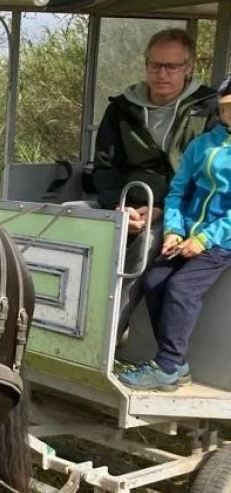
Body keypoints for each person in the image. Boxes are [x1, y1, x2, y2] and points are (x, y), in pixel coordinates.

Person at [91, 28, 219, 335]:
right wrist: (118, 206)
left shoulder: (210, 109)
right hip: (127, 202)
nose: (162, 74)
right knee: (71, 216)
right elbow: (105, 167)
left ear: (188, 67)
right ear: (146, 64)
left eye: (172, 66)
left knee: (147, 244)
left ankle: (107, 335)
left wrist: (162, 208)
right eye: (155, 65)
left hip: (180, 209)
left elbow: (212, 177)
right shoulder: (121, 108)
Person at [118, 77, 231, 391]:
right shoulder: (203, 144)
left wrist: (204, 240)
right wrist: (173, 231)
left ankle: (167, 365)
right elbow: (178, 192)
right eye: (228, 107)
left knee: (181, 289)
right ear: (221, 109)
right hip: (187, 234)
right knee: (155, 281)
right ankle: (176, 363)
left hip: (222, 240)